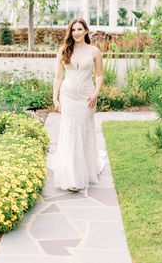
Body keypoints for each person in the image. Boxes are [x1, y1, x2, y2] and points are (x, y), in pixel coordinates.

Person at [53, 17, 104, 192]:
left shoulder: (94, 51)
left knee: (83, 132)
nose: (76, 33)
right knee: (70, 132)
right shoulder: (64, 50)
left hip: (86, 98)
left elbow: (99, 75)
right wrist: (55, 97)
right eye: (73, 30)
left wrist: (95, 94)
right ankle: (72, 176)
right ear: (70, 32)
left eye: (79, 29)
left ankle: (86, 171)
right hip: (68, 96)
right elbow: (58, 77)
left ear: (86, 31)